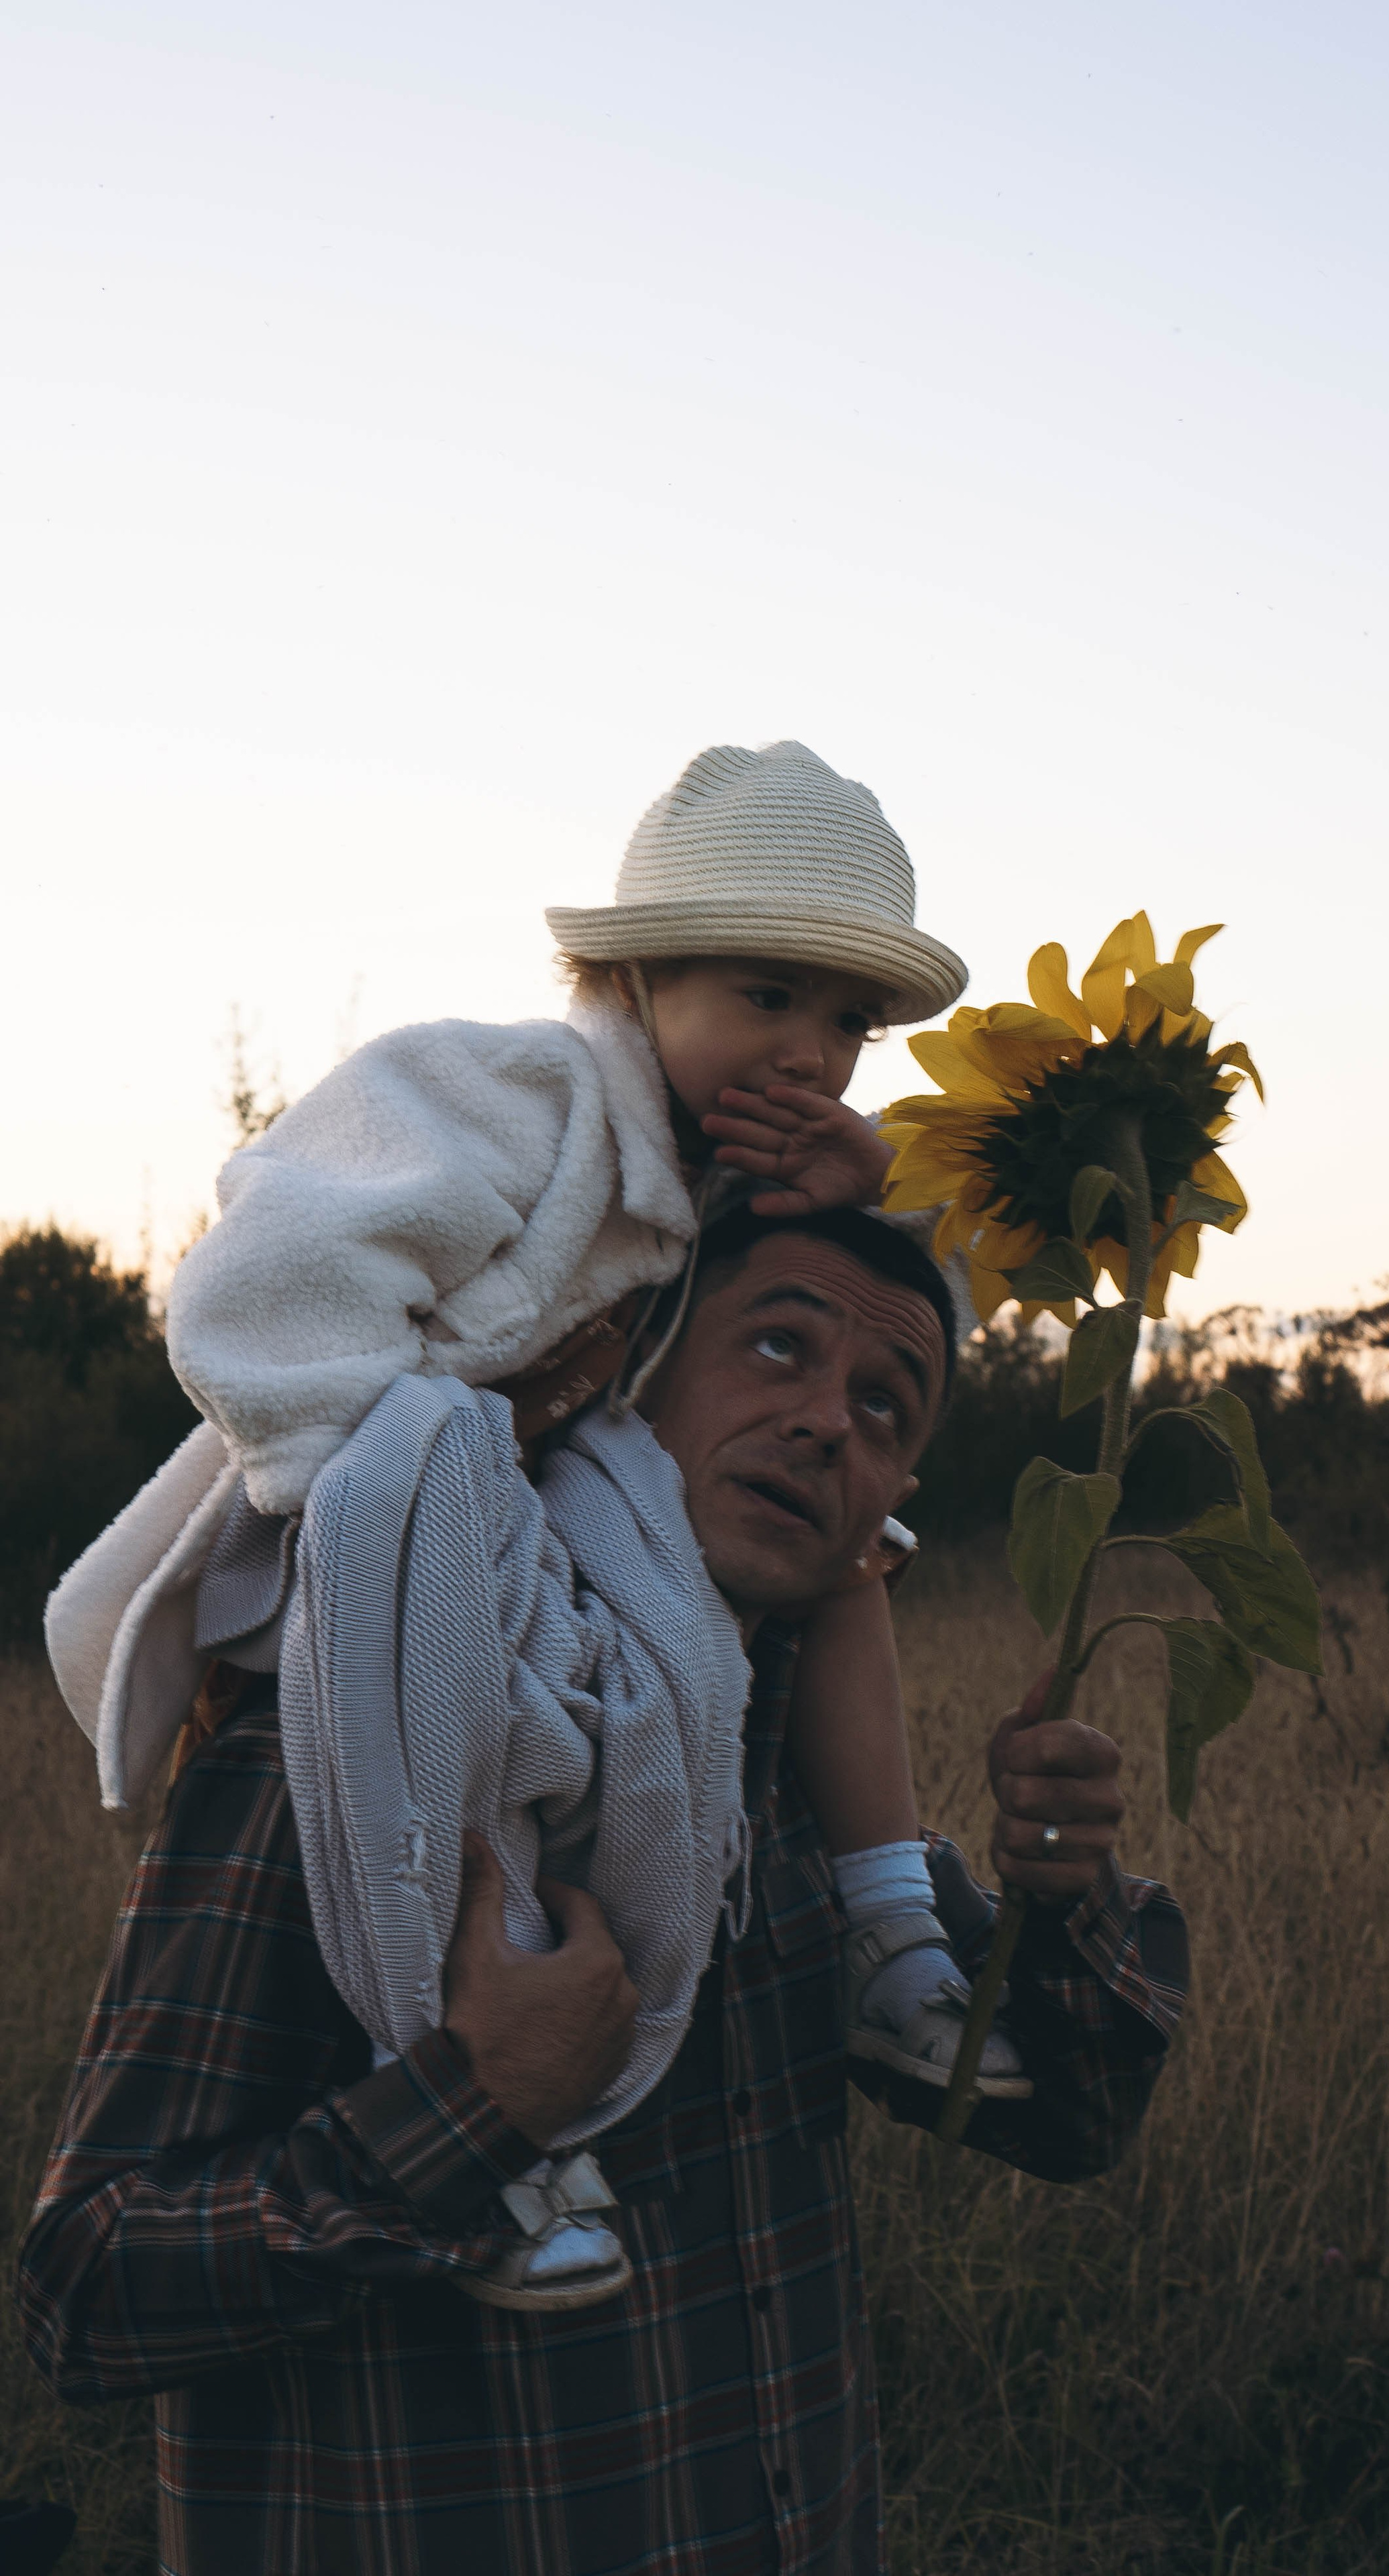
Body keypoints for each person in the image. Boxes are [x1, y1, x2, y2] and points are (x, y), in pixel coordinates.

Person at [19, 1207, 1191, 2576]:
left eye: (886, 1404)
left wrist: (1060, 1891)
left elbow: (1073, 2121)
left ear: (889, 1504)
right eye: (777, 1346)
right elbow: (86, 2292)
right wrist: (479, 2110)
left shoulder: (802, 1800)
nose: (828, 1422)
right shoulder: (350, 1746)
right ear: (636, 1377)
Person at [42, 739, 1025, 2316]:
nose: (809, 1056)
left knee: (848, 1552)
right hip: (378, 1501)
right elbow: (268, 1284)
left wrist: (874, 1187)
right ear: (635, 978)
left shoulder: (740, 1177)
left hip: (566, 1519)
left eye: (848, 1023)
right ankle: (486, 2105)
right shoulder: (506, 1097)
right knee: (462, 1710)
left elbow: (884, 1325)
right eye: (766, 995)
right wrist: (413, 1468)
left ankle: (890, 1928)